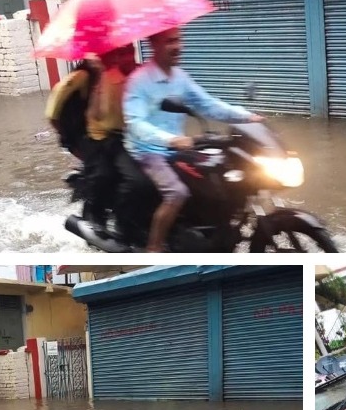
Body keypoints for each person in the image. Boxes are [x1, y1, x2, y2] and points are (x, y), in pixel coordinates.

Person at [121, 27, 264, 252]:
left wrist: (247, 117)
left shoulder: (180, 77)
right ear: (154, 45)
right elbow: (135, 123)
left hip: (178, 146)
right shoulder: (139, 81)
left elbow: (208, 104)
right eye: (169, 41)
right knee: (177, 193)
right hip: (148, 150)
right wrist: (170, 139)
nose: (176, 46)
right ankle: (154, 248)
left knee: (221, 175)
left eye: (178, 40)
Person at [46, 44, 137, 234]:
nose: (126, 55)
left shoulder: (127, 74)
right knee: (104, 172)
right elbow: (52, 113)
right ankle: (97, 219)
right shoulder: (83, 76)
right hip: (85, 136)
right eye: (120, 52)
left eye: (129, 50)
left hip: (118, 135)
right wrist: (70, 139)